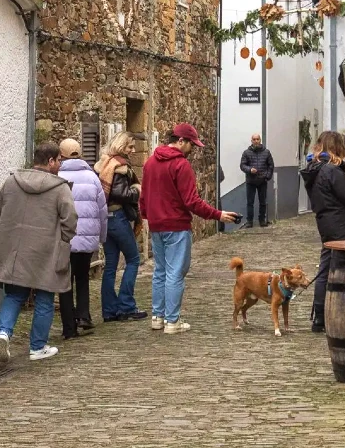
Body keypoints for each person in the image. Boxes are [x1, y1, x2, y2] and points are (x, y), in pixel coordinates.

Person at [0, 142, 77, 362]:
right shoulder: (60, 188)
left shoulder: (11, 182)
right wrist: (63, 239)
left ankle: (4, 333)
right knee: (45, 296)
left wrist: (10, 233)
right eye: (58, 161)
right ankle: (37, 347)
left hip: (16, 249)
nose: (60, 165)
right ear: (50, 161)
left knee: (14, 295)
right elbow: (70, 219)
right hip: (47, 250)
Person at [139, 123, 239, 334]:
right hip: (176, 225)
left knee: (160, 271)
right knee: (175, 273)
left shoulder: (150, 163)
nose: (192, 149)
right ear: (181, 141)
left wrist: (147, 216)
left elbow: (144, 196)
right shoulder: (181, 165)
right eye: (191, 144)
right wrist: (217, 214)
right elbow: (192, 201)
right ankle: (172, 321)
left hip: (156, 225)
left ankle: (157, 317)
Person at [300, 131, 345, 333]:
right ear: (337, 147)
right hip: (341, 224)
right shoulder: (331, 170)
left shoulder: (315, 169)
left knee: (325, 269)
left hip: (326, 222)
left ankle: (320, 317)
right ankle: (344, 314)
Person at [57, 138, 107, 339]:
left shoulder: (58, 177)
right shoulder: (92, 177)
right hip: (87, 239)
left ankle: (69, 326)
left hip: (64, 238)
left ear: (61, 155)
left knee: (65, 281)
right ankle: (84, 315)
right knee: (83, 277)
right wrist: (101, 236)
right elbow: (102, 211)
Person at [95, 131, 147, 323]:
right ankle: (126, 306)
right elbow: (120, 194)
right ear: (120, 146)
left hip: (106, 218)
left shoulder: (104, 164)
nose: (132, 150)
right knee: (133, 259)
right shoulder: (120, 167)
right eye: (129, 147)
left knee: (110, 264)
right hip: (117, 217)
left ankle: (109, 310)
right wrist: (137, 191)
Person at [239, 133, 274, 228]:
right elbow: (242, 165)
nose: (256, 141)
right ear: (251, 141)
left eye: (257, 139)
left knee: (263, 202)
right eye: (254, 139)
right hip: (251, 181)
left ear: (260, 140)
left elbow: (271, 165)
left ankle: (262, 220)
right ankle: (249, 221)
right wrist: (250, 169)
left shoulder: (266, 152)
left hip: (262, 181)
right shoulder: (246, 153)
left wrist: (267, 176)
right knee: (250, 202)